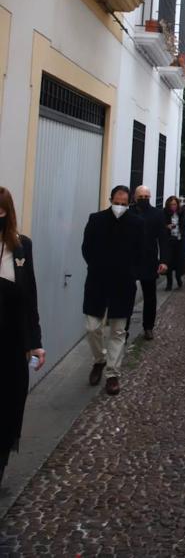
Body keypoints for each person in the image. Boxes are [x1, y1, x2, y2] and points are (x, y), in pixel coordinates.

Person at [0, 186, 45, 487]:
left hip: (11, 342)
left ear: (4, 211)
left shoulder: (21, 247)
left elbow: (30, 297)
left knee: (7, 405)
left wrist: (36, 342)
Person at [82, 185, 144, 395]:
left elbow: (141, 250)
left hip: (123, 284)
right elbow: (86, 247)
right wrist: (96, 266)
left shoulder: (136, 222)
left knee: (118, 331)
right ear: (110, 200)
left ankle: (112, 374)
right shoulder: (96, 219)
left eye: (124, 204)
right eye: (116, 203)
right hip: (97, 281)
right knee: (92, 327)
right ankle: (99, 359)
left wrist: (132, 272)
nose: (119, 207)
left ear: (129, 204)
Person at [128, 186, 169, 340]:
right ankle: (123, 328)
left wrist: (164, 260)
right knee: (127, 296)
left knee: (150, 297)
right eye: (141, 196)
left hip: (149, 260)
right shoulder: (128, 212)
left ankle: (148, 327)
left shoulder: (157, 214)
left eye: (147, 196)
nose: (144, 198)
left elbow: (163, 239)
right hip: (130, 260)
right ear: (135, 197)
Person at [163, 195, 185, 290]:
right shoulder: (164, 213)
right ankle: (169, 283)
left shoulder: (181, 213)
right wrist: (167, 227)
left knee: (179, 261)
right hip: (169, 241)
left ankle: (178, 278)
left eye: (175, 204)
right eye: (171, 204)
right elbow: (161, 225)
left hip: (179, 240)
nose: (173, 206)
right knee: (168, 261)